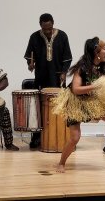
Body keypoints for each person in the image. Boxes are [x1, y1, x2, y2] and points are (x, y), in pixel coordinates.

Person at [54, 37, 105, 173]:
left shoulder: (101, 67)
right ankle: (61, 163)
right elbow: (76, 89)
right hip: (75, 103)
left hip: (91, 101)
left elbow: (104, 85)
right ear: (96, 51)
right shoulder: (82, 67)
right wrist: (96, 86)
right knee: (75, 137)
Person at [24, 13, 72, 148]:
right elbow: (29, 58)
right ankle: (37, 137)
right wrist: (30, 64)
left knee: (58, 109)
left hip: (57, 78)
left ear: (53, 24)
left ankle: (58, 136)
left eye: (50, 28)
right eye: (45, 29)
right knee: (39, 110)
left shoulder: (62, 36)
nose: (48, 31)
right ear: (40, 26)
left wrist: (64, 72)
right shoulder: (34, 37)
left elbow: (67, 57)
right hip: (41, 78)